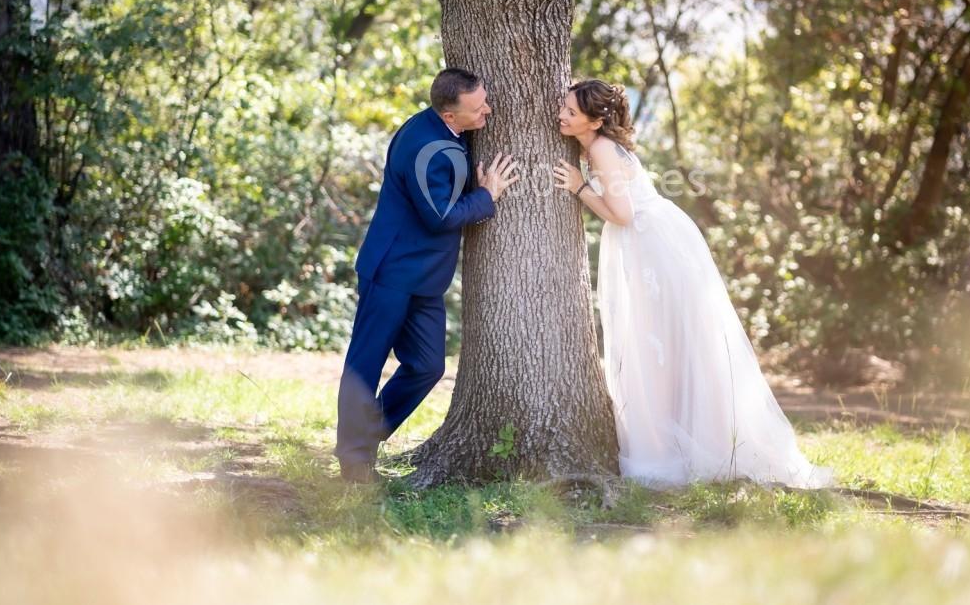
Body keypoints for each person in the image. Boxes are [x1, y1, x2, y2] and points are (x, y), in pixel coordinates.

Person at [553, 79, 833, 489]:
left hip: (652, 247)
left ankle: (676, 450)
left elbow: (623, 214)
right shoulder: (596, 145)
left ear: (595, 121)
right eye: (564, 106)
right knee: (662, 345)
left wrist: (579, 188)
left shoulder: (599, 150)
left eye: (571, 112)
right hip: (654, 241)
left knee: (657, 345)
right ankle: (679, 440)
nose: (561, 114)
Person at [336, 67, 520, 483]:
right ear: (449, 115)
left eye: (484, 100)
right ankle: (353, 459)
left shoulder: (447, 129)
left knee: (427, 365)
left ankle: (366, 435)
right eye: (478, 108)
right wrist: (486, 195)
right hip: (392, 269)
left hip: (425, 277)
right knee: (365, 364)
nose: (488, 110)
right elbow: (440, 217)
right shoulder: (425, 147)